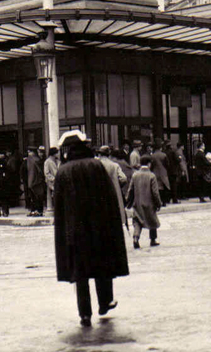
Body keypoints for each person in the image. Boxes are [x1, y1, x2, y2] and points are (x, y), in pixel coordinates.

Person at [53, 130, 129, 328]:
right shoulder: (96, 165)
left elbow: (58, 207)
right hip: (99, 228)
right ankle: (104, 303)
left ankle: (84, 314)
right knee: (102, 266)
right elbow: (109, 197)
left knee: (81, 274)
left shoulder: (63, 171)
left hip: (74, 232)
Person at [126, 155, 162, 248]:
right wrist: (158, 203)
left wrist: (128, 201)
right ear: (149, 164)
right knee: (152, 220)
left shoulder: (135, 175)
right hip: (149, 203)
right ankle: (153, 239)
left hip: (137, 203)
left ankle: (136, 238)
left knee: (138, 221)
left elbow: (130, 190)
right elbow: (155, 192)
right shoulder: (151, 175)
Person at [98, 145, 128, 233]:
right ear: (109, 154)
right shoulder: (114, 165)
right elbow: (123, 178)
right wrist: (118, 186)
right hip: (114, 192)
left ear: (100, 154)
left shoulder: (96, 165)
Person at [24, 147, 46, 216]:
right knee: (35, 197)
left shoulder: (33, 160)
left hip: (35, 181)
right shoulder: (35, 160)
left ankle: (37, 210)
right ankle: (35, 210)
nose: (29, 153)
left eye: (30, 152)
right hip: (34, 181)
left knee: (36, 197)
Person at [150, 140, 171, 205]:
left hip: (155, 172)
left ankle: (158, 201)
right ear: (160, 148)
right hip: (163, 172)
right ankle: (164, 201)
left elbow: (151, 165)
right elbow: (167, 164)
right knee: (164, 186)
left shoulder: (152, 156)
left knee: (158, 187)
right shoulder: (163, 155)